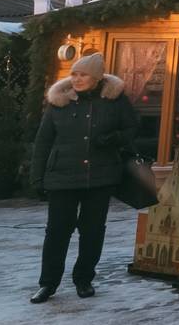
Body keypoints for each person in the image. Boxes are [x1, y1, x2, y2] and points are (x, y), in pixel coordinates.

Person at [29, 52, 136, 304]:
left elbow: (131, 128)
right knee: (57, 231)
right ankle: (48, 283)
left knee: (92, 231)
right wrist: (37, 177)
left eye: (83, 74)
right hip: (62, 177)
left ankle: (84, 279)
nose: (76, 79)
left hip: (100, 177)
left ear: (97, 78)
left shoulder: (115, 101)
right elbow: (43, 141)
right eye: (74, 74)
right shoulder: (59, 102)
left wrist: (113, 139)